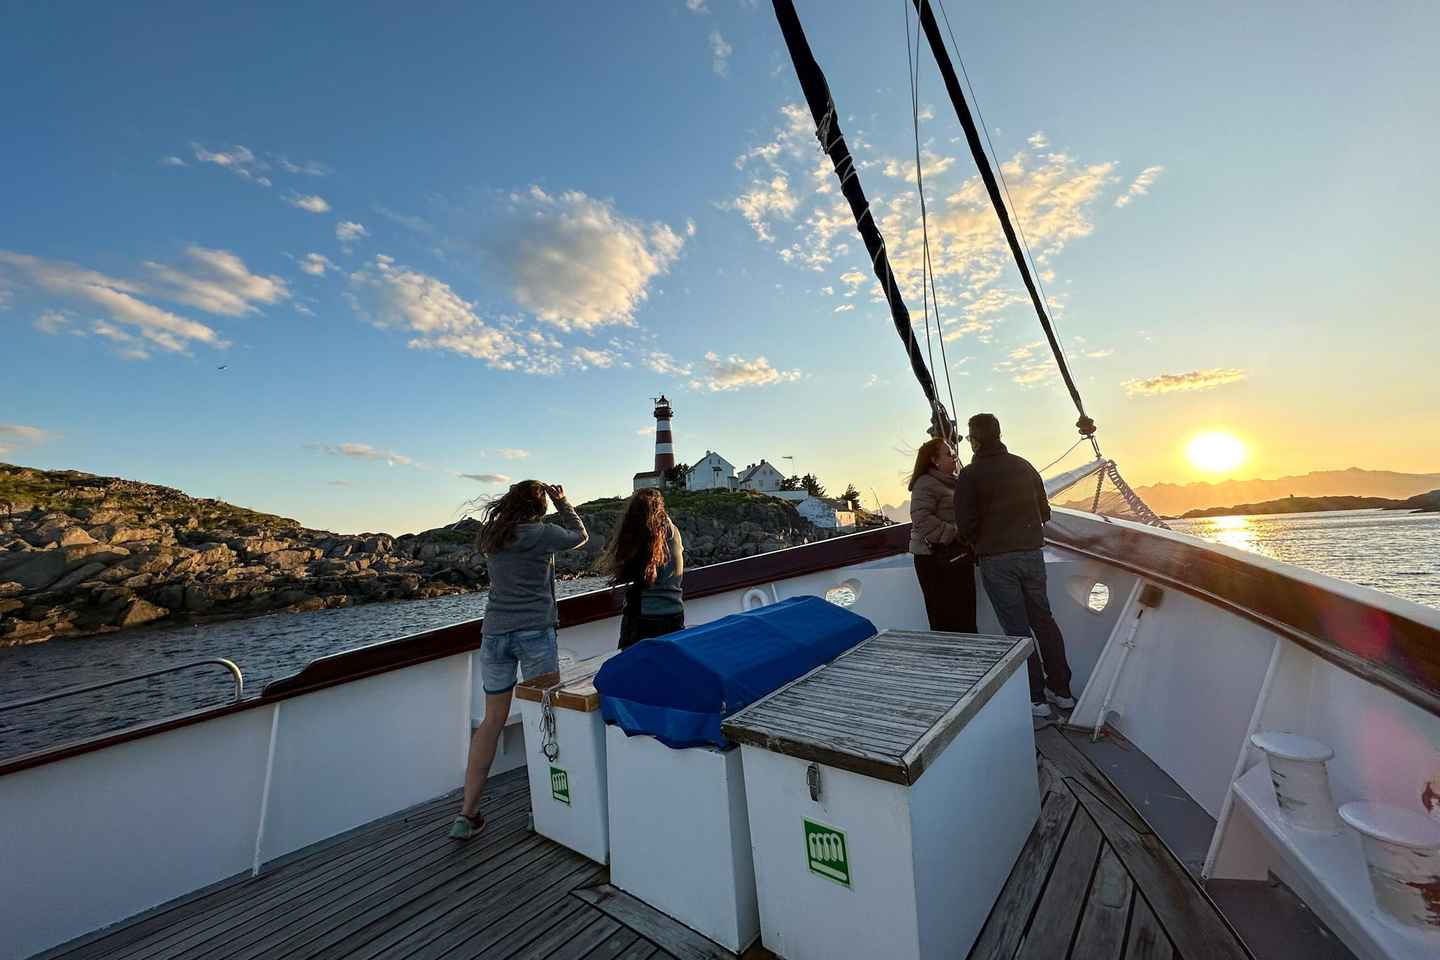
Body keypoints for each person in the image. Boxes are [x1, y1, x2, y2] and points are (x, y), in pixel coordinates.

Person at [451, 480, 587, 840]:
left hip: (494, 634)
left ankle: (467, 815)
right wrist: (563, 500)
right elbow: (579, 535)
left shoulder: (493, 536)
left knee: (492, 721)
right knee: (544, 718)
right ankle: (539, 809)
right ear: (539, 507)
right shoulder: (541, 534)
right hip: (534, 633)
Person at [953, 413, 1075, 719]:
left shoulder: (970, 475)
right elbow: (1044, 512)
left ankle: (1036, 698)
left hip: (997, 560)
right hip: (1032, 555)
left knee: (1017, 629)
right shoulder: (1024, 466)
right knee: (1044, 621)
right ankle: (1062, 692)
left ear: (975, 439)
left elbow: (965, 525)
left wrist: (981, 539)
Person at [600, 488, 685, 649]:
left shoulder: (644, 535)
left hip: (644, 616)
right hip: (674, 613)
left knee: (634, 669)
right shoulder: (673, 530)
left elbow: (633, 573)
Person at [907, 437, 977, 633]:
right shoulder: (925, 484)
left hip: (955, 557)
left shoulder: (951, 483)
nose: (955, 457)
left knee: (965, 615)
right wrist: (954, 533)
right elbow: (920, 519)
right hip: (935, 561)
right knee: (946, 618)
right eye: (949, 454)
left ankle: (967, 657)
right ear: (935, 460)